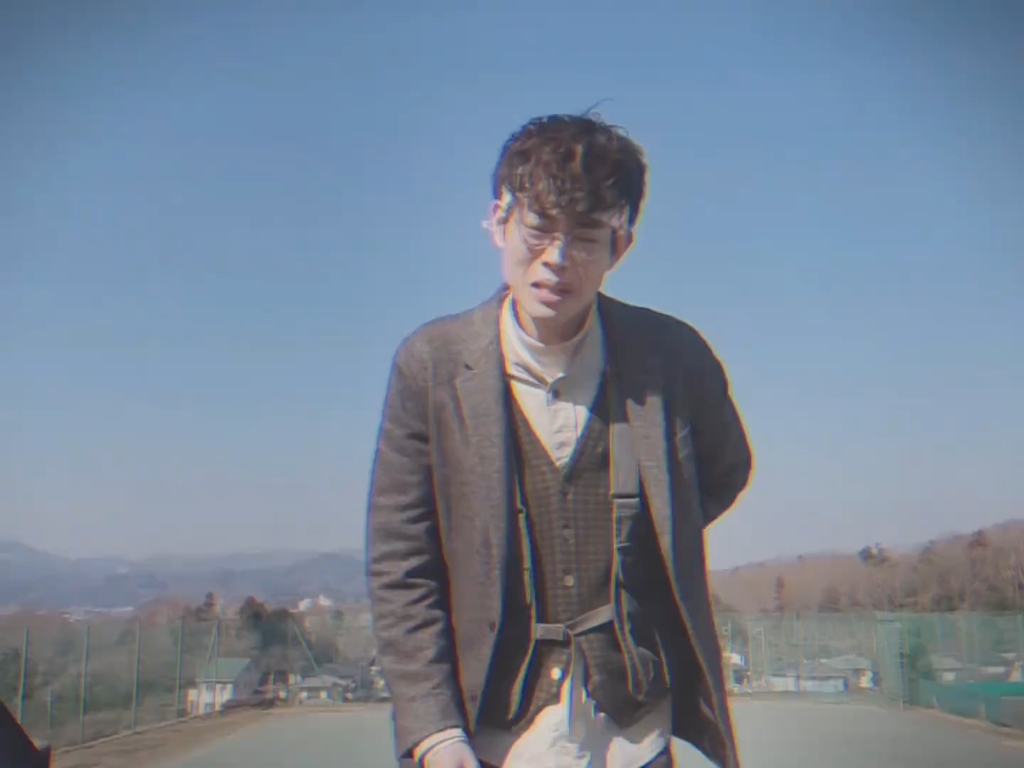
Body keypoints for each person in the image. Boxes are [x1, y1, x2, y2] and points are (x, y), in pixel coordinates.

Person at [367, 113, 752, 768]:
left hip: (635, 736)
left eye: (586, 236)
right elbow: (402, 563)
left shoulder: (673, 358)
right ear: (499, 220)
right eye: (539, 229)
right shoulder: (431, 366)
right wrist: (434, 731)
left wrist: (646, 546)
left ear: (619, 245)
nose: (557, 259)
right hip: (491, 738)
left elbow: (722, 472)